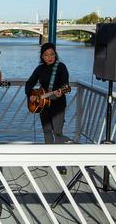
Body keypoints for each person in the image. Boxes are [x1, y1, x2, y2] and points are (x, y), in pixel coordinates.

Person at [25, 42, 70, 174]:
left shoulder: (61, 67)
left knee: (58, 132)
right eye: (46, 55)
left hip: (58, 104)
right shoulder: (40, 69)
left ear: (55, 54)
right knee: (46, 131)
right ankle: (49, 158)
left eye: (52, 54)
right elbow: (29, 84)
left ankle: (60, 162)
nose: (49, 57)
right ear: (42, 56)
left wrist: (60, 91)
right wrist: (31, 95)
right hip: (43, 104)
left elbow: (65, 84)